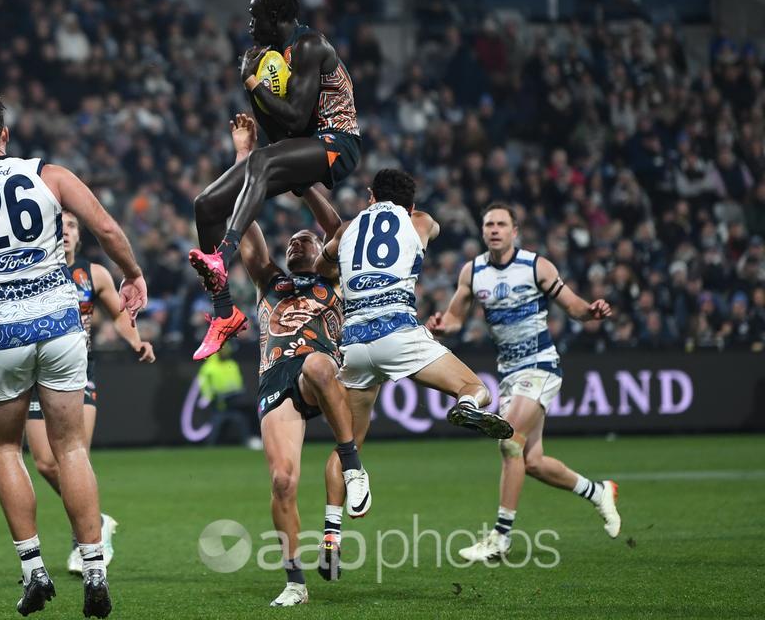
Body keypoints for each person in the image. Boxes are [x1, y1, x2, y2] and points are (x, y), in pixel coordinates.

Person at [0, 94, 147, 618]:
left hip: (4, 335)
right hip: (62, 326)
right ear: (5, 134)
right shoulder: (49, 174)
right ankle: (94, 571)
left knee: (4, 450)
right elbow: (107, 228)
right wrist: (132, 274)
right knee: (70, 451)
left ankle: (34, 570)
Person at [226, 114, 370, 607]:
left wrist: (305, 185)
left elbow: (342, 229)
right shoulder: (269, 281)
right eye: (291, 242)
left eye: (304, 239)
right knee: (283, 480)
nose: (295, 242)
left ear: (320, 249)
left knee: (317, 364)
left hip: (320, 372)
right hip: (274, 376)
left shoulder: (334, 276)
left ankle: (352, 465)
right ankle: (295, 582)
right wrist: (246, 157)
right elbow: (243, 228)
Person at [427, 203, 621, 561]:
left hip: (540, 365)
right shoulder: (473, 271)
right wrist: (442, 326)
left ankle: (500, 539)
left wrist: (591, 312)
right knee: (531, 461)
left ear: (515, 231)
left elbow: (574, 307)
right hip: (509, 373)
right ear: (482, 231)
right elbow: (456, 316)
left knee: (509, 441)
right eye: (488, 225)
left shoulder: (536, 266)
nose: (494, 230)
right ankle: (598, 491)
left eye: (501, 224)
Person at [188, 0, 362, 361]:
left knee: (261, 162)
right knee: (206, 205)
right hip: (303, 143)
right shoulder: (269, 57)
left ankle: (224, 254)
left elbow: (298, 117)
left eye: (256, 16)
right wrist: (251, 88)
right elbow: (280, 133)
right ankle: (223, 313)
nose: (250, 24)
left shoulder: (309, 45)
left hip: (338, 142)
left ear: (277, 17)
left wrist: (252, 83)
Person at [325, 170, 514, 448]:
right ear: (411, 206)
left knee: (348, 447)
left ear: (370, 196)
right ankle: (467, 405)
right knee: (476, 389)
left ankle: (345, 488)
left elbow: (321, 265)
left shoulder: (347, 229)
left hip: (353, 343)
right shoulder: (419, 220)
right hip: (398, 333)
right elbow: (434, 228)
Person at [26, 212, 156, 575]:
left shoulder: (94, 273)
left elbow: (118, 314)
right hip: (37, 374)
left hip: (79, 372)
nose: (65, 232)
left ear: (79, 237)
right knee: (45, 462)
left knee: (73, 457)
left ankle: (85, 541)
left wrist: (135, 341)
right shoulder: (34, 270)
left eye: (71, 226)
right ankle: (95, 520)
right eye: (59, 225)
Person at [197, 343, 255, 447]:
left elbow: (238, 384)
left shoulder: (232, 364)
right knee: (216, 426)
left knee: (241, 422)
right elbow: (204, 386)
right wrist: (210, 397)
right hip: (219, 404)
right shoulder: (208, 367)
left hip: (233, 403)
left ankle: (247, 443)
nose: (225, 353)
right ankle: (209, 448)